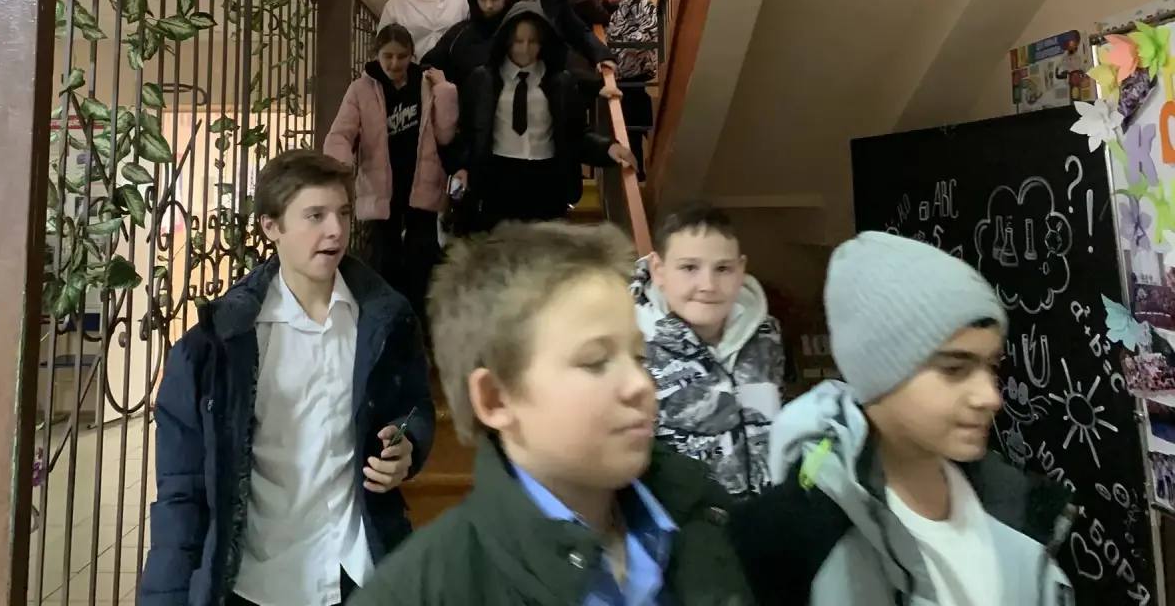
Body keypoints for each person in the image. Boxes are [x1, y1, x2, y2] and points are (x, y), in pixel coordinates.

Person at [349, 221, 754, 606]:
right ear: (496, 399)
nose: (640, 385)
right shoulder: (419, 591)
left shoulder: (704, 514)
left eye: (638, 356)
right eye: (595, 361)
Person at [139, 149, 435, 606]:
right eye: (315, 216)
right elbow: (182, 493)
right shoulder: (216, 347)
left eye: (342, 213)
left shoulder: (385, 321)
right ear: (270, 226)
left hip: (355, 568)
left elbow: (414, 405)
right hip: (258, 580)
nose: (336, 230)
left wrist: (407, 443)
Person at [731, 232, 1075, 606]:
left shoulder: (1017, 510)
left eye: (991, 365)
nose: (990, 397)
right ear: (879, 375)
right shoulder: (789, 540)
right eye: (954, 369)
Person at [630, 202, 784, 498]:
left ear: (741, 270)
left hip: (766, 515)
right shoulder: (631, 345)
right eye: (689, 268)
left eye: (723, 269)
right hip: (683, 519)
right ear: (658, 270)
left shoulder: (766, 335)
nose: (708, 285)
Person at [453, 1, 634, 231]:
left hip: (547, 178)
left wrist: (607, 148)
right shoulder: (482, 80)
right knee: (501, 247)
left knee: (546, 247)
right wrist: (461, 166)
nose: (525, 49)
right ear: (506, 40)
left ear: (543, 42)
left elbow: (576, 135)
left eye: (533, 41)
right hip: (498, 177)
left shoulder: (561, 82)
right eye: (518, 41)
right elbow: (468, 132)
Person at [323, 23, 458, 328]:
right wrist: (337, 168)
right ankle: (384, 327)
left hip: (421, 184)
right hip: (380, 189)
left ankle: (419, 329)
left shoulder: (426, 84)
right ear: (377, 55)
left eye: (401, 56)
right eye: (388, 56)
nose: (395, 64)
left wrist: (445, 90)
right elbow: (341, 134)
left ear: (412, 55)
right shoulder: (361, 89)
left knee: (422, 262)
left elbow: (446, 134)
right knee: (383, 262)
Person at [600, 0, 658, 179]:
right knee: (621, 126)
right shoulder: (602, 2)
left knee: (634, 122)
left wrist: (622, 46)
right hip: (615, 76)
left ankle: (639, 170)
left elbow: (651, 29)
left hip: (635, 73)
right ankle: (633, 169)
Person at [421, 0, 522, 86]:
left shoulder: (525, 33)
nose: (488, 5)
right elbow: (428, 65)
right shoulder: (459, 34)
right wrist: (442, 83)